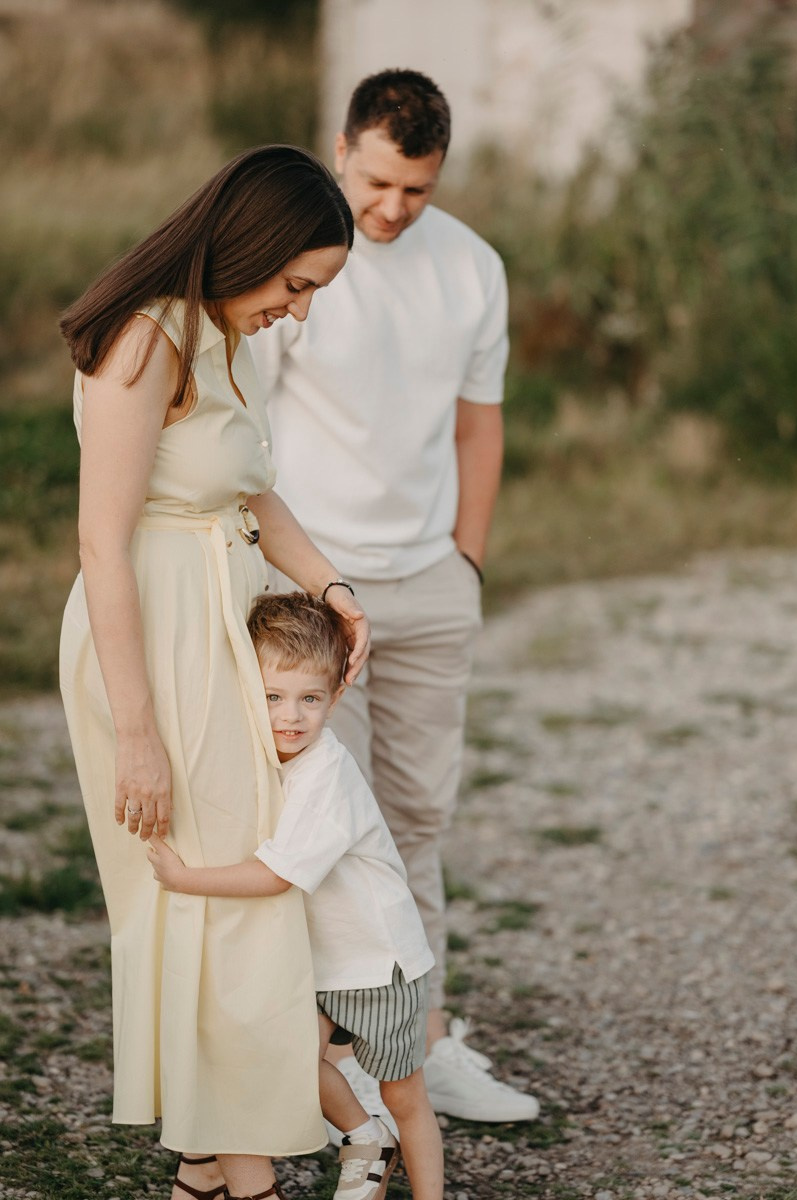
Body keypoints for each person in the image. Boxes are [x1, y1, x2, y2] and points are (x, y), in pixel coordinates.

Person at [59, 145, 371, 1200]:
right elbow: (103, 543)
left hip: (222, 619)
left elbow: (251, 492)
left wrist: (334, 591)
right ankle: (243, 1174)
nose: (297, 310)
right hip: (150, 636)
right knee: (209, 899)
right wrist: (137, 731)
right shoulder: (144, 340)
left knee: (239, 891)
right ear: (252, 246)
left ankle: (207, 1161)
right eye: (295, 285)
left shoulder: (224, 336)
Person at [251, 70, 539, 1123]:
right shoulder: (300, 262)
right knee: (329, 819)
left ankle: (421, 1043)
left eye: (413, 190)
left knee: (416, 819)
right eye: (375, 183)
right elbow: (252, 428)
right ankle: (330, 1064)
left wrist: (466, 558)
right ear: (340, 149)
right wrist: (287, 577)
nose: (389, 209)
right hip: (316, 588)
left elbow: (478, 424)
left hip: (430, 585)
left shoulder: (471, 268)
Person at [147, 592, 444, 1200]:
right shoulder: (266, 758)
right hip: (318, 962)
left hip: (376, 964)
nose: (292, 717)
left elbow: (275, 876)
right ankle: (366, 1139)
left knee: (405, 1094)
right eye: (273, 696)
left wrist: (186, 879)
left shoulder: (324, 774)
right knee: (286, 1066)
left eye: (311, 698)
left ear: (336, 697)